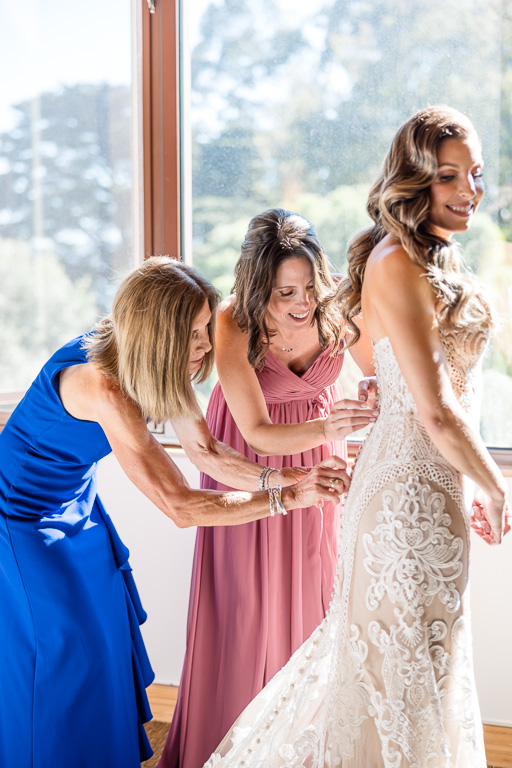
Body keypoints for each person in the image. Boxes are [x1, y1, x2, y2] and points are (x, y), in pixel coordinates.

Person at [203, 106, 511, 768]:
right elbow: (436, 412)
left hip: (435, 489)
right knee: (392, 678)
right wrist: (495, 483)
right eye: (449, 175)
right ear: (414, 177)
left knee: (424, 674)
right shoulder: (394, 262)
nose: (470, 191)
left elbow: (386, 368)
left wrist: (387, 395)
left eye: (477, 173)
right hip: (404, 496)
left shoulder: (432, 257)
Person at [0, 257, 349, 768]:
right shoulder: (104, 387)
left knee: (106, 645)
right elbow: (181, 506)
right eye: (195, 333)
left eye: (206, 328)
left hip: (75, 506)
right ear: (160, 334)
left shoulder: (153, 361)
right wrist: (287, 500)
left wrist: (288, 478)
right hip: (20, 521)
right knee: (63, 660)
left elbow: (207, 453)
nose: (208, 345)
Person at [159, 209, 377, 768]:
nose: (300, 302)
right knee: (245, 606)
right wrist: (331, 431)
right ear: (259, 287)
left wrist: (371, 403)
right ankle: (229, 745)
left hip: (320, 456)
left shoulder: (335, 312)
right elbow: (256, 430)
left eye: (307, 287)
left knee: (315, 593)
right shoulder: (233, 322)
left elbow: (376, 368)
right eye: (285, 292)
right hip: (252, 457)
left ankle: (299, 747)